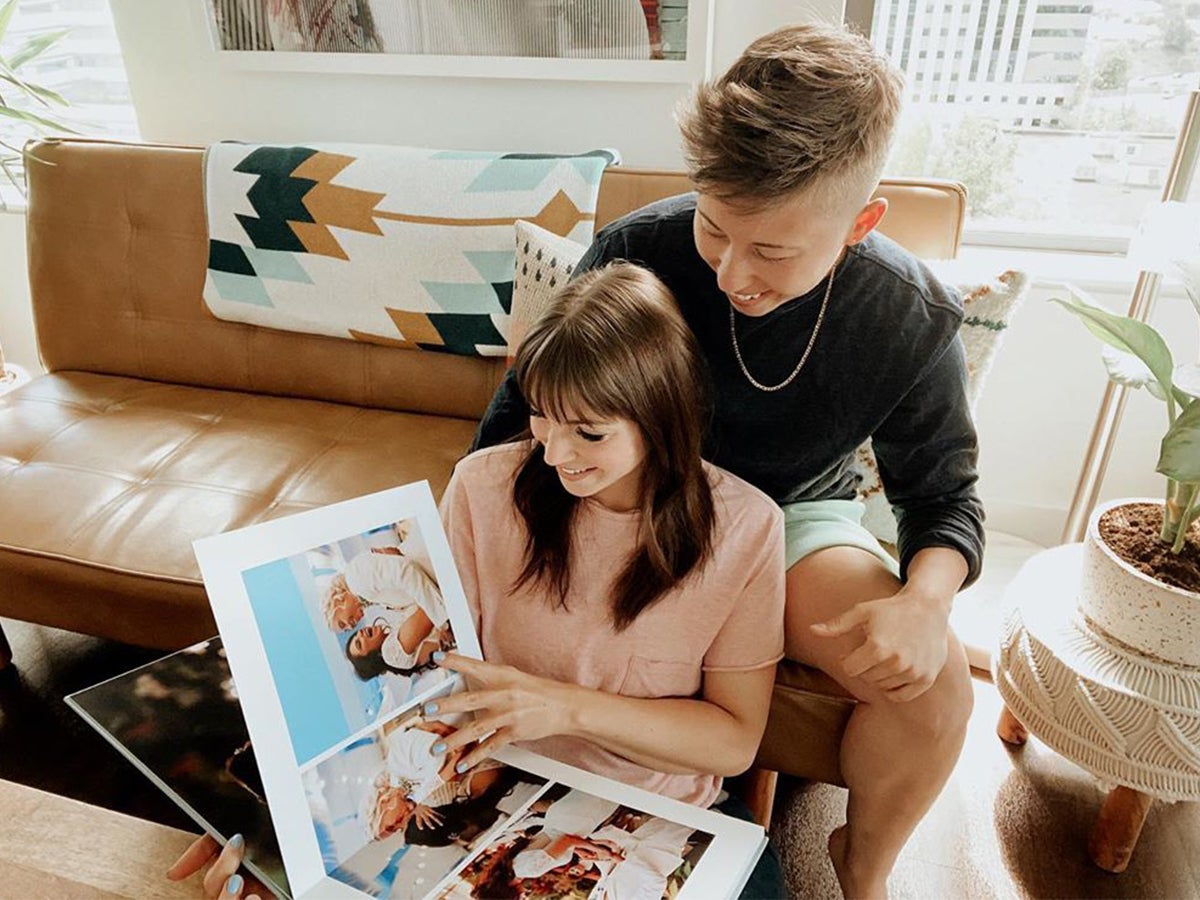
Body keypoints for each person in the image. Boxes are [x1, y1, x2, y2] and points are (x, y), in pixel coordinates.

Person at [471, 22, 981, 899]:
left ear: (862, 222)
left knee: (934, 690)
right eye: (715, 230)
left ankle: (863, 869)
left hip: (792, 524)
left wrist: (926, 601)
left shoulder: (908, 316)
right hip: (619, 496)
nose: (731, 275)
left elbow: (946, 493)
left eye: (774, 252)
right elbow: (521, 420)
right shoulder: (638, 248)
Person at [169, 261, 787, 899]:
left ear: (663, 416)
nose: (553, 452)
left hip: (648, 810)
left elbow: (733, 742)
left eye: (590, 432)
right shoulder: (484, 485)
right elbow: (416, 680)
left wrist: (563, 706)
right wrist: (279, 814)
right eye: (541, 415)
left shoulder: (745, 529)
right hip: (489, 787)